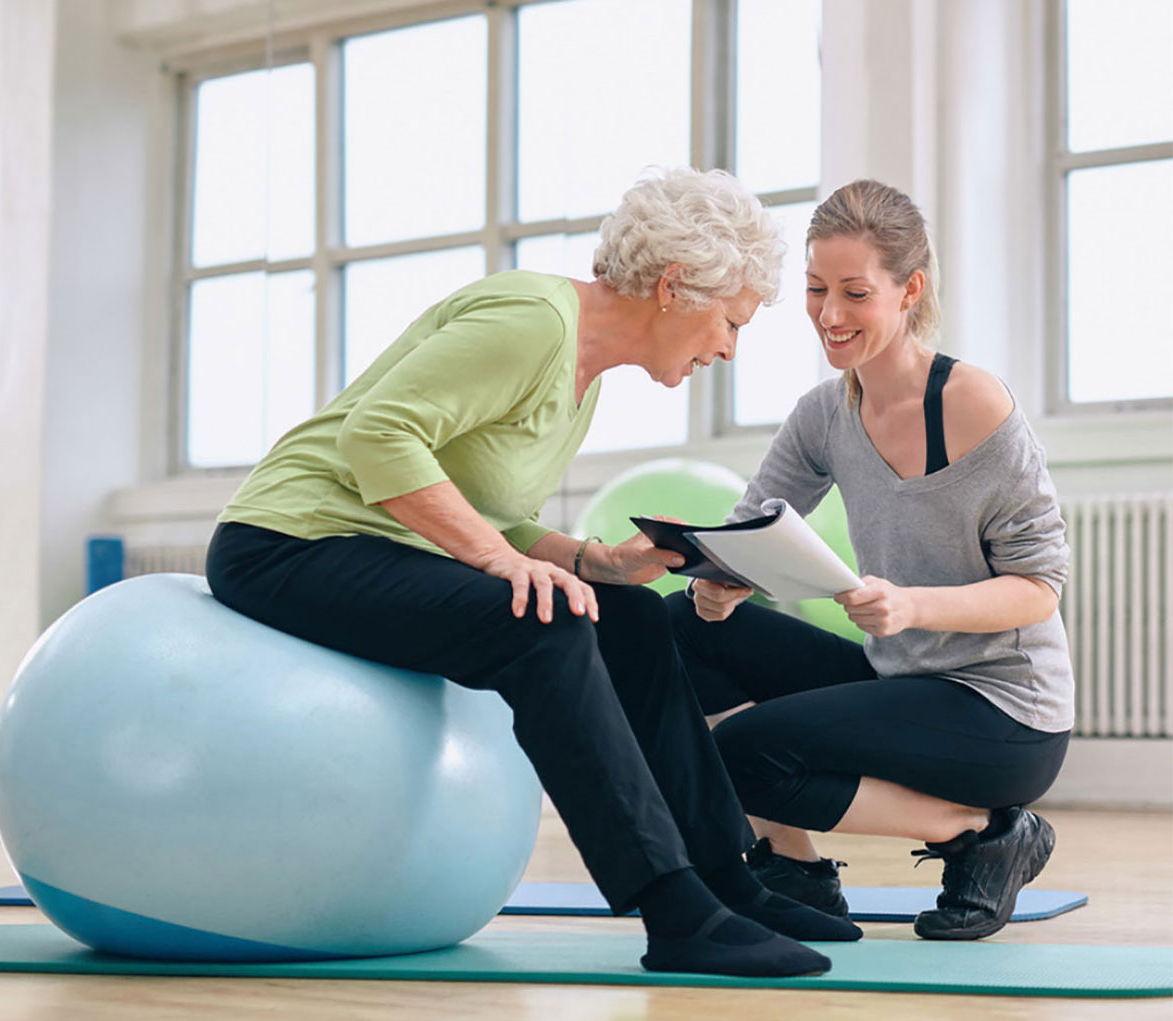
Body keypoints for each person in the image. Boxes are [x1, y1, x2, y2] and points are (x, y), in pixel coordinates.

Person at [206, 168, 862, 979]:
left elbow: (483, 506)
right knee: (542, 624)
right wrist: (500, 561)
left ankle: (729, 879)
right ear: (672, 287)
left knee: (631, 615)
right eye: (731, 322)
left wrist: (596, 562)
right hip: (287, 541)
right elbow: (377, 438)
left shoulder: (580, 376)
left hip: (376, 543)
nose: (727, 348)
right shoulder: (532, 322)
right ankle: (676, 909)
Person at [668, 178, 1073, 941]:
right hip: (901, 676)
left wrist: (914, 605)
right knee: (677, 626)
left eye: (855, 292)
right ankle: (795, 869)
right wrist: (722, 578)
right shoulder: (826, 412)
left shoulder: (976, 406)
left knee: (745, 754)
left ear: (908, 290)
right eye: (818, 290)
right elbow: (749, 526)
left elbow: (1038, 588)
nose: (830, 314)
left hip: (1003, 712)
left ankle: (983, 835)